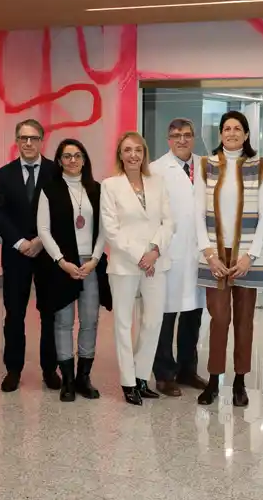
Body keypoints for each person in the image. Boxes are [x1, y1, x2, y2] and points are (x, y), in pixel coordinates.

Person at [193, 111, 263, 408]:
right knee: (219, 319)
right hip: (215, 256)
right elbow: (196, 213)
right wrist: (208, 253)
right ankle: (214, 380)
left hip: (246, 257)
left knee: (244, 321)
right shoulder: (206, 165)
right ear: (221, 134)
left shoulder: (259, 167)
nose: (231, 133)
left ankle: (240, 381)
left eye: (237, 128)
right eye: (227, 128)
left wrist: (250, 256)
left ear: (246, 134)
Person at [100, 132, 173, 405]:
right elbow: (111, 230)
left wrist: (154, 250)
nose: (133, 155)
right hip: (125, 264)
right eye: (127, 150)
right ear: (120, 154)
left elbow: (169, 222)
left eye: (138, 150)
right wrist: (140, 256)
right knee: (123, 323)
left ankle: (142, 376)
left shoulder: (158, 182)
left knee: (153, 321)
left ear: (144, 154)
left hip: (156, 261)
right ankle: (128, 382)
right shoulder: (110, 186)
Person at [37, 139, 111, 402]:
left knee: (90, 321)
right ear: (59, 161)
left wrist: (94, 259)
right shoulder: (49, 189)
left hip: (90, 263)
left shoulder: (97, 190)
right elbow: (43, 230)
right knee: (64, 322)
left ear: (84, 160)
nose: (72, 160)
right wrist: (61, 261)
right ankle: (67, 379)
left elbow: (104, 229)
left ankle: (83, 378)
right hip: (62, 265)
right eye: (66, 156)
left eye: (77, 155)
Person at [0, 119, 60, 392]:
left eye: (33, 138)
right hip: (16, 253)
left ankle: (49, 369)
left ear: (42, 140)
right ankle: (13, 369)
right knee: (14, 313)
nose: (28, 143)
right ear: (17, 141)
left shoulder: (56, 172)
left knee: (50, 314)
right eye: (23, 138)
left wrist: (41, 242)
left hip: (48, 253)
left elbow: (60, 212)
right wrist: (20, 242)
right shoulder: (4, 174)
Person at [150, 118, 208, 397]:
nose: (181, 140)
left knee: (193, 315)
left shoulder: (207, 165)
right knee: (166, 315)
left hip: (199, 253)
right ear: (168, 139)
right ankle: (163, 373)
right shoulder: (156, 170)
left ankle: (188, 369)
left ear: (193, 137)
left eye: (186, 135)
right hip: (169, 253)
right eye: (176, 136)